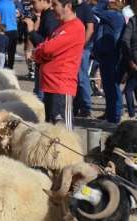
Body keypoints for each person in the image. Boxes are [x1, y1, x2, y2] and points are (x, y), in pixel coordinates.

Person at [33, 0, 85, 131]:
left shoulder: (75, 27)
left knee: (64, 133)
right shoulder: (61, 26)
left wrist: (41, 52)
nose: (52, 8)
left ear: (67, 6)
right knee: (51, 129)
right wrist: (40, 51)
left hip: (61, 86)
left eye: (55, 5)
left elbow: (47, 49)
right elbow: (43, 46)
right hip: (51, 85)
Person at [93, 0, 125, 127]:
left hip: (111, 56)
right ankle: (110, 115)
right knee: (108, 88)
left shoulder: (114, 15)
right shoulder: (110, 15)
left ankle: (114, 119)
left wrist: (103, 1)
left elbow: (94, 10)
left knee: (112, 88)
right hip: (105, 56)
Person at [23, 0, 59, 100]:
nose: (32, 5)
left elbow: (47, 44)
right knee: (39, 93)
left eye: (34, 2)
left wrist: (31, 31)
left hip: (47, 63)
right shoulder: (45, 14)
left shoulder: (50, 17)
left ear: (45, 1)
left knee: (41, 95)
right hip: (42, 62)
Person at [73, 0, 95, 118]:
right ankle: (76, 106)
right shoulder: (72, 6)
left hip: (82, 48)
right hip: (73, 47)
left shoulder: (85, 7)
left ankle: (86, 107)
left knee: (82, 78)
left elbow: (90, 28)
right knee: (74, 78)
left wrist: (82, 45)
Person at [121, 0, 137, 120]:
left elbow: (125, 41)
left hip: (134, 60)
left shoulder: (133, 21)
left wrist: (130, 60)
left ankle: (131, 114)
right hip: (133, 59)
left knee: (128, 90)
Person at [0, 0, 18, 69]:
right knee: (11, 52)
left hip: (3, 30)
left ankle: (3, 67)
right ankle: (10, 67)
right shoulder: (12, 3)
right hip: (14, 29)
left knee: (2, 50)